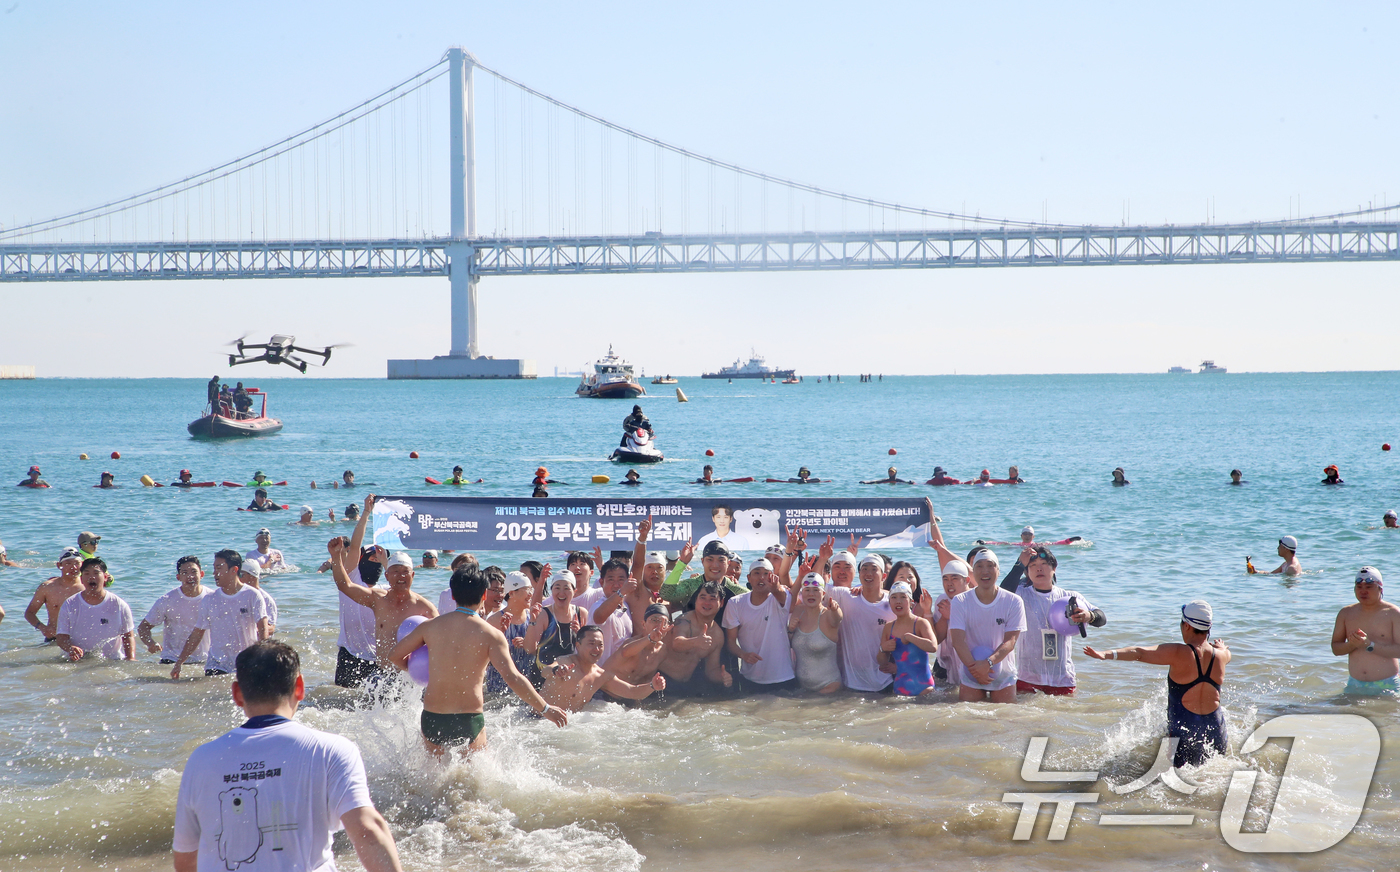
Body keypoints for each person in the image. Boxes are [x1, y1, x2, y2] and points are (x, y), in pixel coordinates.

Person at [172, 640, 405, 872]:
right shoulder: (330, 750)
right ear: (299, 687)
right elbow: (367, 832)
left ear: (237, 694)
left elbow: (185, 858)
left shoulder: (201, 760)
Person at [389, 567, 567, 755]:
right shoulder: (491, 634)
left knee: (432, 778)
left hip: (433, 715)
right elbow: (513, 678)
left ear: (452, 595)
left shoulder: (430, 627)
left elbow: (394, 656)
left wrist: (419, 671)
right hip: (469, 718)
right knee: (472, 780)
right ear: (484, 594)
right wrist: (545, 708)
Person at [1084, 601, 1230, 768]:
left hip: (1184, 735)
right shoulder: (1222, 656)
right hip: (1217, 733)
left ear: (1187, 626)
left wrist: (1105, 654)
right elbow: (1226, 651)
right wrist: (1222, 648)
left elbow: (1139, 653)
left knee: (1174, 783)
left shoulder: (1178, 653)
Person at [999, 548, 1105, 695]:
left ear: (1054, 568)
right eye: (1032, 566)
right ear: (1027, 572)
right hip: (1027, 678)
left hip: (1063, 679)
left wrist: (1089, 616)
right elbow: (1000, 595)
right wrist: (1019, 564)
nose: (1039, 568)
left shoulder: (1070, 597)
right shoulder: (1020, 595)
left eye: (1044, 564)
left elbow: (1101, 618)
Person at [330, 542, 437, 665]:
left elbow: (442, 639)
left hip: (408, 676)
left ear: (412, 575)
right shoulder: (378, 599)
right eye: (396, 571)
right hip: (382, 673)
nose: (401, 576)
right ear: (386, 575)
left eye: (405, 572)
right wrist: (336, 556)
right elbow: (345, 586)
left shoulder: (424, 607)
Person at [171, 550, 271, 678]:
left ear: (234, 570)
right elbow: (197, 633)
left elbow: (263, 630)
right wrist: (179, 662)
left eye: (219, 568)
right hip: (216, 664)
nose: (214, 573)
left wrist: (264, 660)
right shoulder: (209, 599)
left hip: (246, 662)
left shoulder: (252, 596)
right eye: (214, 568)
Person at [947, 547, 1026, 703]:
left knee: (1004, 721)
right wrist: (976, 670)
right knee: (970, 721)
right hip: (971, 669)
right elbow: (957, 641)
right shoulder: (960, 601)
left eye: (990, 566)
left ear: (998, 570)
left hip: (1003, 672)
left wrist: (988, 663)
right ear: (973, 571)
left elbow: (1010, 642)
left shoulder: (1013, 601)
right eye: (980, 566)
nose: (985, 571)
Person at [818, 537, 895, 693]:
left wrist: (900, 666)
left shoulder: (893, 603)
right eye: (865, 569)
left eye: (874, 569)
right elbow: (814, 585)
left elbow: (909, 633)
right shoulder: (846, 596)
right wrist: (823, 558)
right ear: (859, 575)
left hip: (885, 681)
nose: (869, 573)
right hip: (852, 682)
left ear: (884, 576)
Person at [538, 625, 666, 712]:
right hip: (536, 720)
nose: (596, 649)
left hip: (564, 725)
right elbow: (545, 672)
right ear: (578, 645)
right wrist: (556, 671)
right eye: (591, 644)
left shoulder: (600, 676)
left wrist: (652, 686)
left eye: (600, 645)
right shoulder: (565, 661)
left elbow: (632, 691)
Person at [723, 558, 796, 692]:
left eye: (766, 573)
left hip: (783, 677)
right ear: (749, 578)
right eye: (757, 573)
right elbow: (730, 643)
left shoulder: (781, 596)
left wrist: (776, 588)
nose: (762, 578)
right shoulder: (735, 603)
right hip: (750, 678)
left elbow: (781, 595)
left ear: (773, 577)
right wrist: (743, 655)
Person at [1330, 566, 1400, 695]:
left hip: (1386, 685)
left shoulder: (1393, 613)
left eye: (1368, 587)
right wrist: (1351, 645)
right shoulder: (1346, 613)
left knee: (1387, 716)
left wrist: (1369, 645)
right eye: (1359, 587)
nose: (1363, 591)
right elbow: (1335, 649)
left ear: (1380, 588)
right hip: (1354, 684)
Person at [658, 581, 735, 697]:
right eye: (702, 597)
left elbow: (711, 670)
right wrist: (696, 642)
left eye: (712, 599)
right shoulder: (684, 620)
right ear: (696, 600)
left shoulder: (718, 635)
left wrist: (723, 677)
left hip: (686, 685)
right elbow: (677, 643)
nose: (707, 603)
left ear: (721, 602)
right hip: (661, 679)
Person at [55, 558, 135, 661]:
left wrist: (131, 658)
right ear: (81, 578)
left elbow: (128, 635)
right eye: (87, 573)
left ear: (105, 577)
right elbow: (61, 637)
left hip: (111, 660)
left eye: (96, 573)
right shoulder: (70, 604)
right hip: (77, 660)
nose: (91, 577)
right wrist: (70, 648)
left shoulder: (119, 604)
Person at [139, 555, 212, 664]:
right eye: (185, 573)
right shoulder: (167, 600)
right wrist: (151, 644)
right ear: (178, 577)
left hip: (203, 660)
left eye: (193, 572)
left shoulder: (212, 598)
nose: (190, 576)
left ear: (201, 574)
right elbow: (143, 627)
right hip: (171, 659)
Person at [522, 570, 589, 684]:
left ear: (574, 591)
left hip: (570, 676)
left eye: (567, 588)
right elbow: (529, 649)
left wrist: (580, 635)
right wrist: (532, 622)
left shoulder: (581, 613)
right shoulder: (544, 614)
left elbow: (587, 652)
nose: (561, 593)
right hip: (543, 676)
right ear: (551, 591)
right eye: (557, 588)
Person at [879, 581, 937, 696]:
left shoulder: (921, 623)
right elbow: (881, 662)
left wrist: (911, 637)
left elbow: (933, 646)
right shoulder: (889, 627)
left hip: (924, 688)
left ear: (911, 602)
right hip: (900, 688)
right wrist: (882, 648)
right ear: (889, 602)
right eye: (894, 597)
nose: (898, 601)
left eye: (903, 597)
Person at [787, 572, 842, 693]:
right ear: (802, 593)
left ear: (823, 594)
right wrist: (790, 631)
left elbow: (838, 619)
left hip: (829, 686)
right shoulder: (797, 611)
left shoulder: (828, 615)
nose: (811, 594)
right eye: (807, 590)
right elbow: (789, 644)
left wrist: (836, 609)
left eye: (816, 590)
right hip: (801, 688)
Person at [484, 571, 537, 695]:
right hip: (499, 688)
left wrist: (528, 644)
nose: (531, 594)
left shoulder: (533, 618)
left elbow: (541, 653)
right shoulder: (495, 620)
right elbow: (485, 657)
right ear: (512, 593)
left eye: (531, 589)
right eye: (527, 590)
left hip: (527, 685)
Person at [600, 604, 673, 694]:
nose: (659, 625)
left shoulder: (662, 651)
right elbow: (625, 652)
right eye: (654, 620)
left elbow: (644, 681)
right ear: (643, 624)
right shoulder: (631, 644)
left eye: (664, 622)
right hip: (603, 695)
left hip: (629, 699)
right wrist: (650, 638)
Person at [659, 540, 746, 613]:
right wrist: (682, 563)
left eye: (721, 560)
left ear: (728, 563)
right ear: (702, 561)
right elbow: (666, 594)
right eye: (710, 560)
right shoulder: (690, 586)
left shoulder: (736, 591)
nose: (715, 565)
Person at [24, 547, 85, 642]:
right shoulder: (47, 587)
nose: (74, 567)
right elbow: (29, 613)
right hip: (54, 639)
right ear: (59, 565)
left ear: (82, 564)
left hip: (82, 639)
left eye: (77, 563)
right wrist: (43, 628)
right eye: (68, 563)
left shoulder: (87, 587)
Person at [584, 558, 636, 666]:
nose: (616, 585)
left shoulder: (627, 606)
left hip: (620, 673)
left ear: (628, 580)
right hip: (598, 672)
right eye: (611, 580)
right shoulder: (597, 606)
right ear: (602, 582)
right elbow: (599, 617)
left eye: (621, 579)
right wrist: (621, 592)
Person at [932, 557, 973, 684]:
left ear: (967, 580)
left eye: (954, 578)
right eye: (945, 579)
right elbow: (937, 639)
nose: (949, 583)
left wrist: (953, 616)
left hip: (971, 659)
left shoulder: (975, 599)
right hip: (946, 662)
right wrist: (944, 618)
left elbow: (980, 634)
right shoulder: (942, 600)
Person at [238, 561, 279, 634]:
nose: (238, 578)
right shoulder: (238, 595)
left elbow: (271, 628)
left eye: (241, 575)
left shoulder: (266, 599)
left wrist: (248, 631)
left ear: (252, 576)